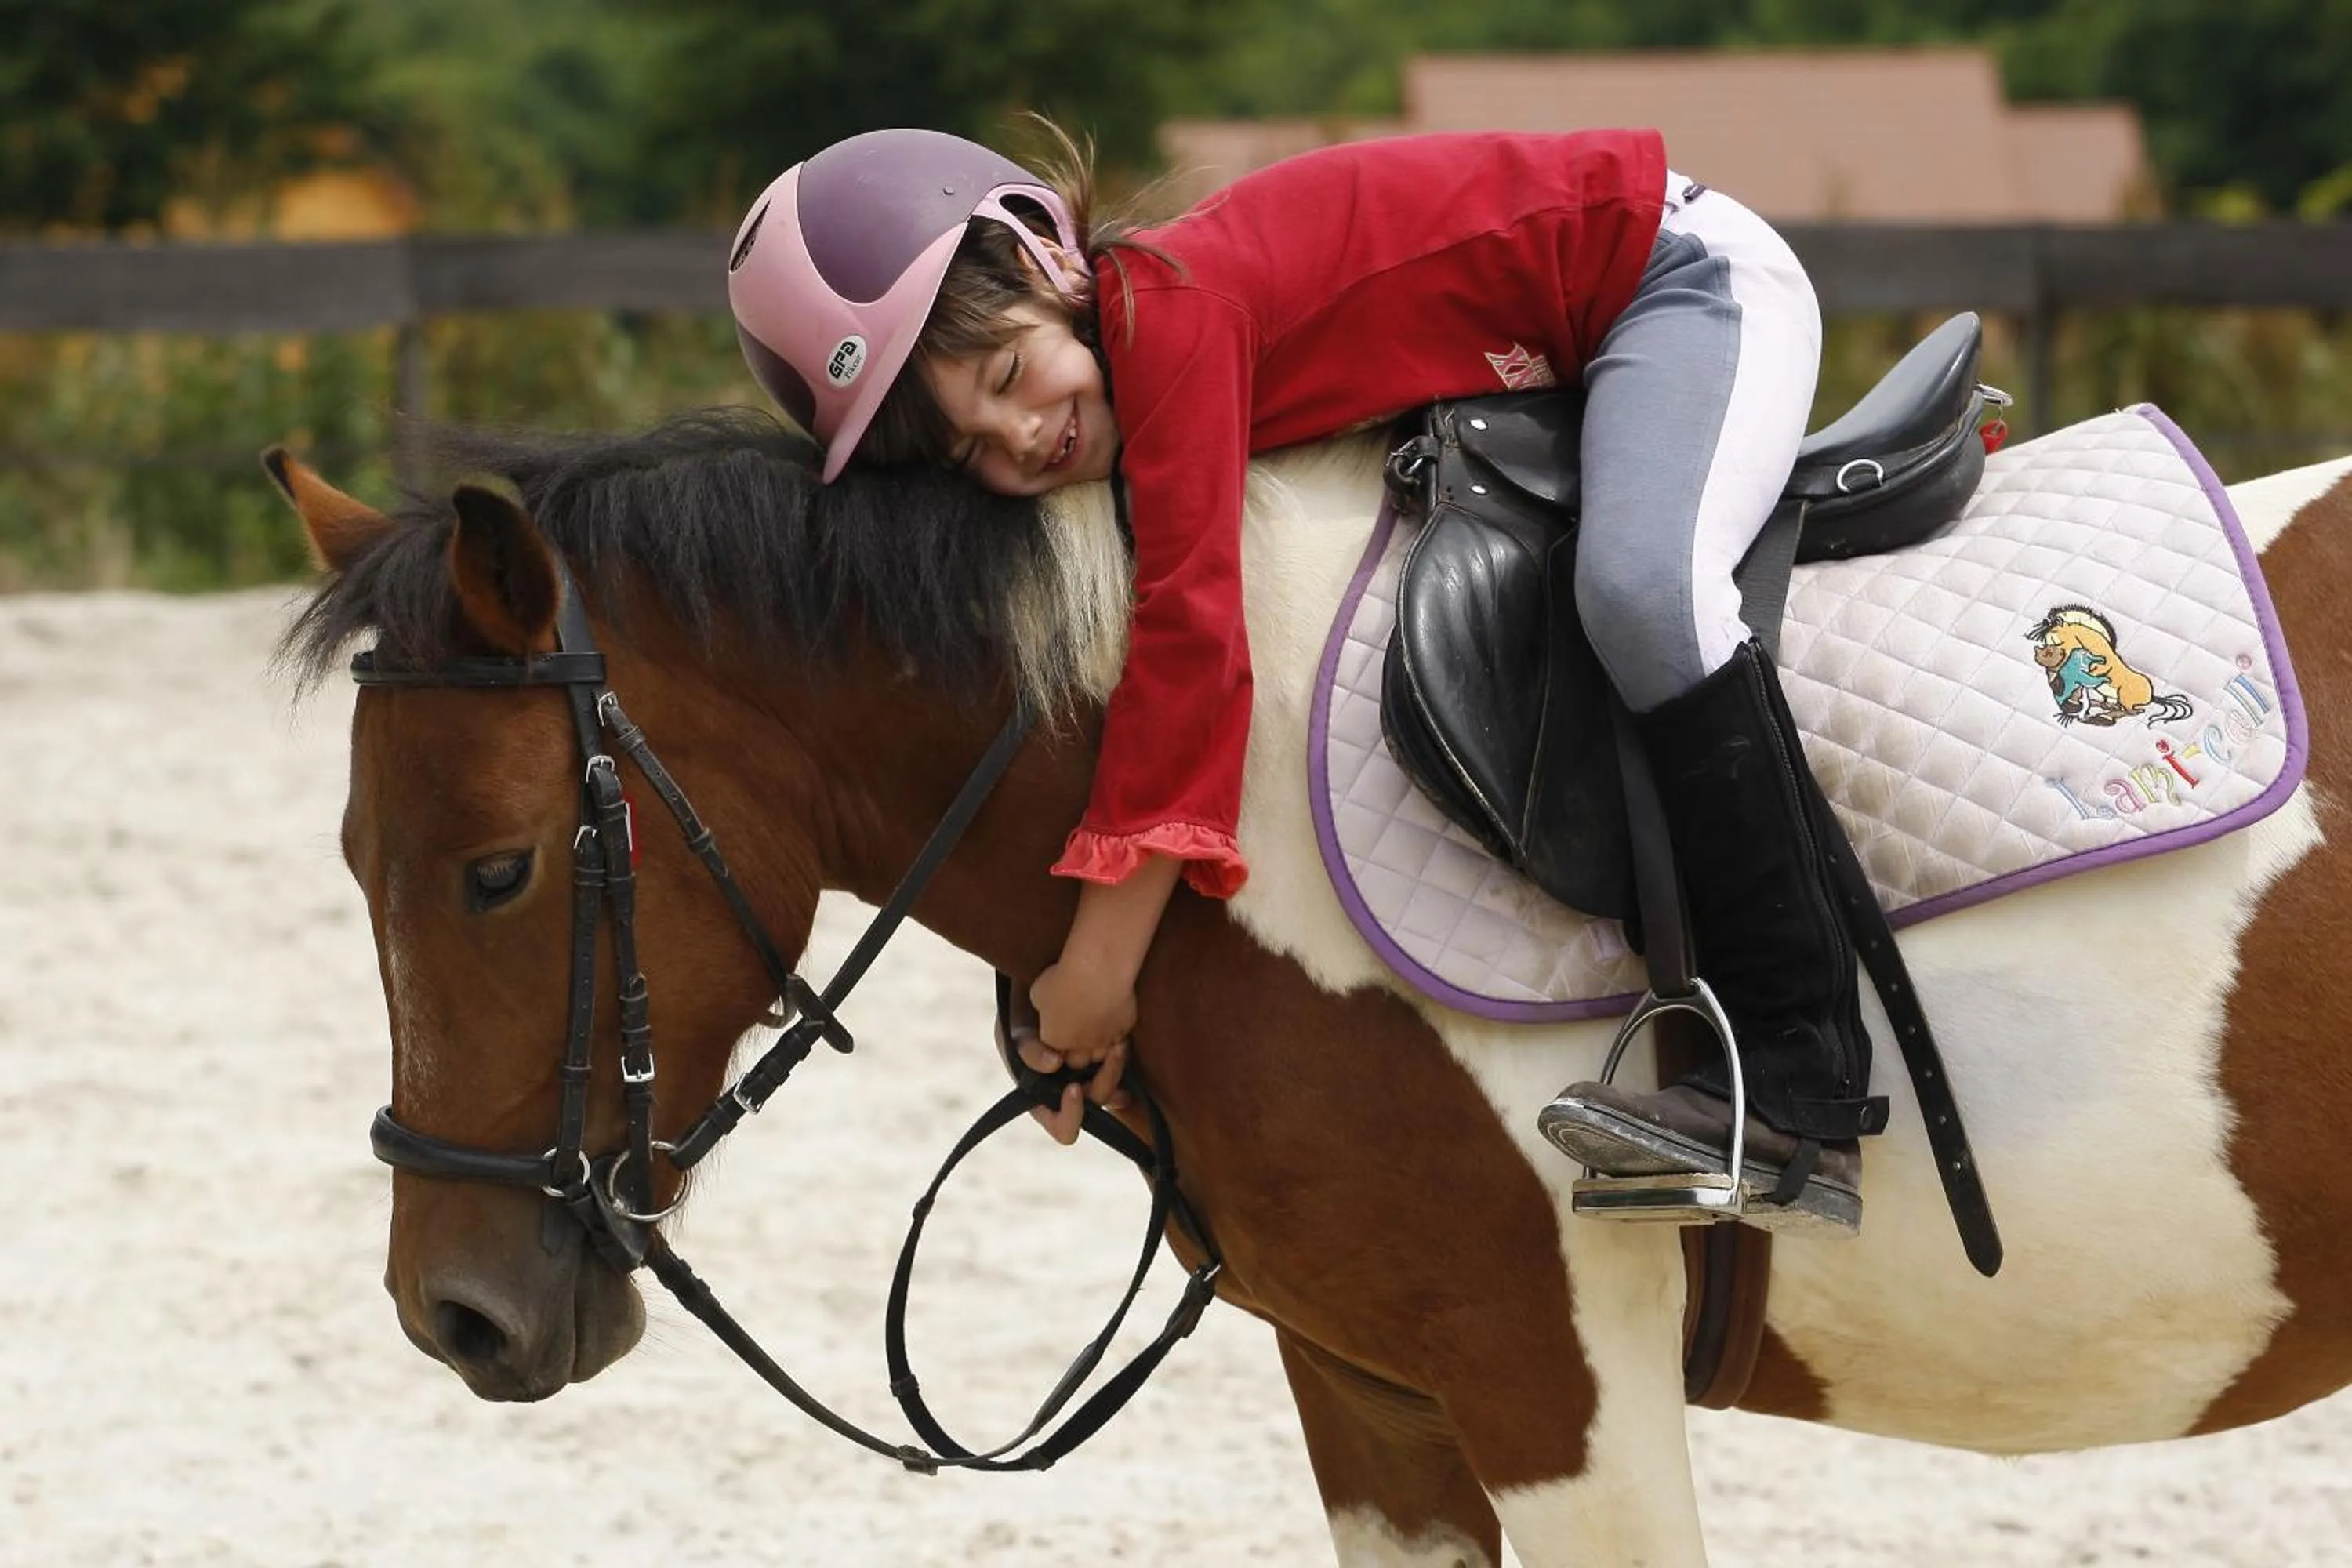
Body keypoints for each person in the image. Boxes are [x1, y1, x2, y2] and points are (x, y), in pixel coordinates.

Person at [724, 122, 1886, 1230]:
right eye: (972, 448)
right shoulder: (1125, 362)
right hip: (1593, 321)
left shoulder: (1170, 315)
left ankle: (1803, 1071)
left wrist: (1097, 968)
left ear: (1046, 262)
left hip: (1675, 277)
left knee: (1641, 588)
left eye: (1007, 371)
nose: (1020, 437)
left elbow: (1191, 647)